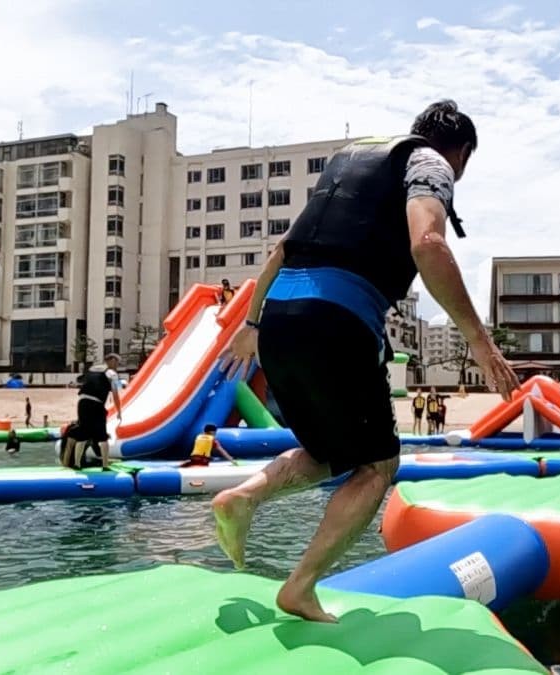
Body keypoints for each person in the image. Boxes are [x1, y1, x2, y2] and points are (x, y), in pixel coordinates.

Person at [211, 100, 521, 623]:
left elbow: (284, 249)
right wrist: (480, 344)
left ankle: (243, 498)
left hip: (280, 320)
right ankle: (300, 587)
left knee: (328, 451)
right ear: (463, 153)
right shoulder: (432, 164)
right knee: (378, 465)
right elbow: (427, 243)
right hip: (337, 318)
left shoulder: (352, 161)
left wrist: (252, 324)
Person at [63, 353, 123, 471]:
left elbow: (82, 381)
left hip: (82, 403)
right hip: (96, 403)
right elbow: (116, 394)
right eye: (116, 362)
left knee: (83, 433)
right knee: (102, 435)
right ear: (111, 361)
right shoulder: (112, 374)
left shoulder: (93, 369)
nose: (117, 365)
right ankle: (105, 466)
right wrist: (119, 411)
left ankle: (77, 464)